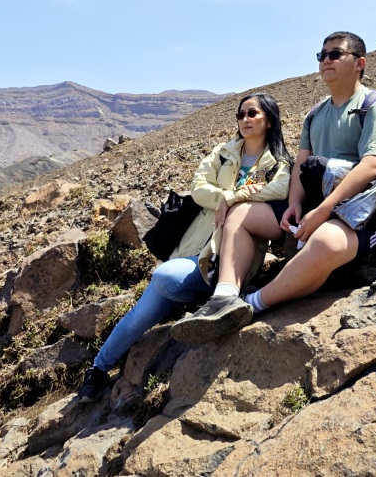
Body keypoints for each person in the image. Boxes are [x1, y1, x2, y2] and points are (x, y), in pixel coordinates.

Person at [170, 31, 376, 345]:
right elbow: (300, 166)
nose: (326, 61)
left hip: (364, 210)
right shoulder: (316, 114)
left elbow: (371, 166)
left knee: (325, 244)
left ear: (360, 63)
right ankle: (224, 297)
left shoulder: (375, 107)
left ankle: (252, 305)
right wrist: (295, 203)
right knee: (241, 213)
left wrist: (321, 211)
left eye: (335, 54)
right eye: (322, 56)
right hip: (319, 203)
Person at [76, 93, 292, 403]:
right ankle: (97, 369)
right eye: (240, 114)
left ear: (269, 120)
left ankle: (220, 295)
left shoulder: (278, 162)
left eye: (252, 114)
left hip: (236, 255)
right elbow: (198, 188)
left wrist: (233, 200)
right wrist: (230, 197)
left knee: (164, 279)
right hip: (196, 251)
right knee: (144, 310)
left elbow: (280, 189)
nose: (244, 119)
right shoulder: (223, 153)